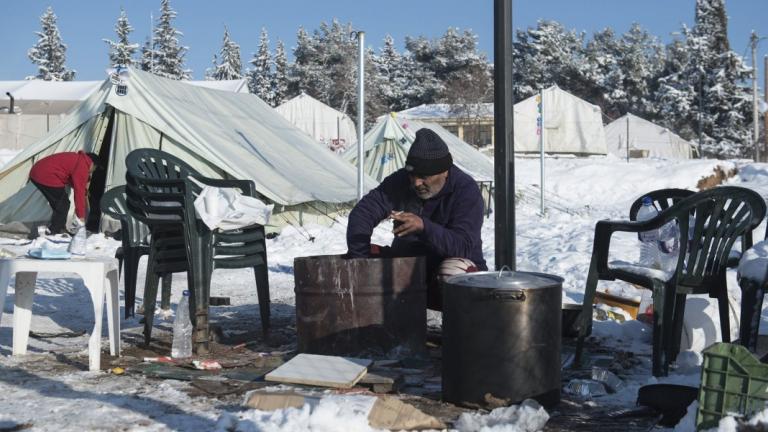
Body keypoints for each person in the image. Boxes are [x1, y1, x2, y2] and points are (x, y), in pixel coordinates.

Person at [346, 128, 487, 310]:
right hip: (409, 268)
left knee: (453, 270)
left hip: (453, 273)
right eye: (412, 175)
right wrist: (361, 261)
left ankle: (456, 327)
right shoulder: (401, 180)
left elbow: (464, 245)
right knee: (365, 255)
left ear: (444, 172)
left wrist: (424, 228)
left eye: (424, 177)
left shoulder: (466, 191)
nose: (416, 183)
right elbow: (363, 212)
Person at [29, 151, 100, 235]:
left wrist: (84, 190)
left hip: (38, 172)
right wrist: (81, 216)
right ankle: (55, 232)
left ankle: (59, 228)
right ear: (92, 164)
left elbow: (69, 177)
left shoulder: (79, 159)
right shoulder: (83, 165)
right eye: (94, 169)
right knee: (63, 204)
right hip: (46, 175)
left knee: (60, 204)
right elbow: (79, 193)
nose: (91, 172)